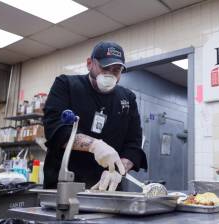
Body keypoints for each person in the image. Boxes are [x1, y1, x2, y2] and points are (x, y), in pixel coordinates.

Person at [42, 41, 147, 191]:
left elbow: (133, 145)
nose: (109, 75)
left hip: (108, 188)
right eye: (105, 68)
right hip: (65, 186)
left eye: (116, 70)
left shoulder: (127, 98)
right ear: (90, 63)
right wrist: (94, 145)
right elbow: (55, 130)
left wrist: (118, 170)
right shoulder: (66, 85)